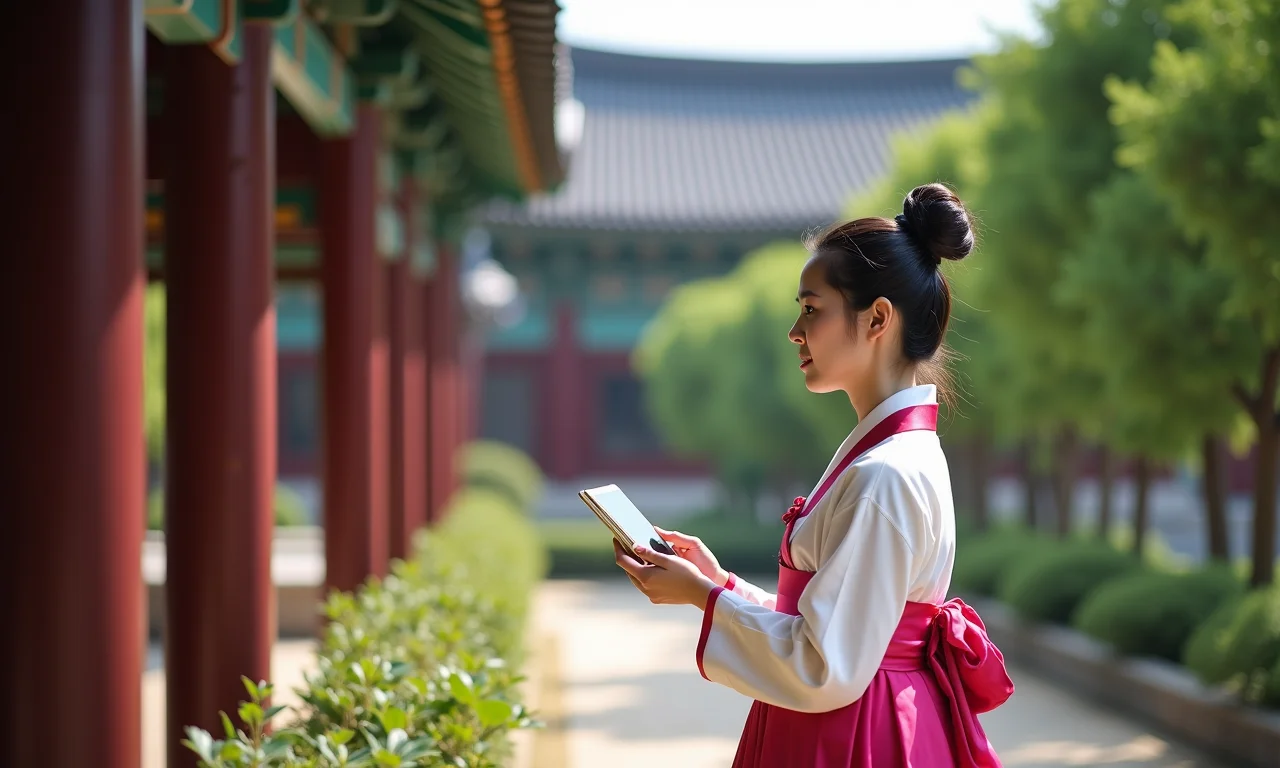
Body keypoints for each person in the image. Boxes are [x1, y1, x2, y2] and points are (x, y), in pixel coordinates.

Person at [613, 183, 1015, 767]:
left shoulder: (885, 476)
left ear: (877, 317)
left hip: (855, 735)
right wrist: (719, 584)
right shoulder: (894, 456)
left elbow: (825, 662)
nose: (794, 331)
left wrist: (704, 599)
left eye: (811, 308)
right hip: (871, 713)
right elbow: (831, 622)